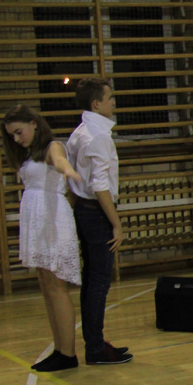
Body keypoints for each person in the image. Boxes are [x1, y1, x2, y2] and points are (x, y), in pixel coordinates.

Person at [2, 105, 82, 372]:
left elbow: (59, 160)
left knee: (57, 288)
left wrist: (68, 171)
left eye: (19, 132)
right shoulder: (29, 155)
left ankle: (68, 353)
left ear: (34, 123)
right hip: (38, 220)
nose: (16, 139)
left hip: (52, 219)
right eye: (12, 135)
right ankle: (59, 349)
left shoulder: (52, 147)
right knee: (47, 288)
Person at [66, 79, 131, 365]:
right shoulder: (97, 136)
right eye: (109, 98)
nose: (112, 102)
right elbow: (100, 184)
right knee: (99, 281)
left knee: (93, 278)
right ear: (96, 103)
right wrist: (116, 223)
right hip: (97, 213)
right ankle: (94, 348)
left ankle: (95, 343)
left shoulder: (80, 132)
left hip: (85, 210)